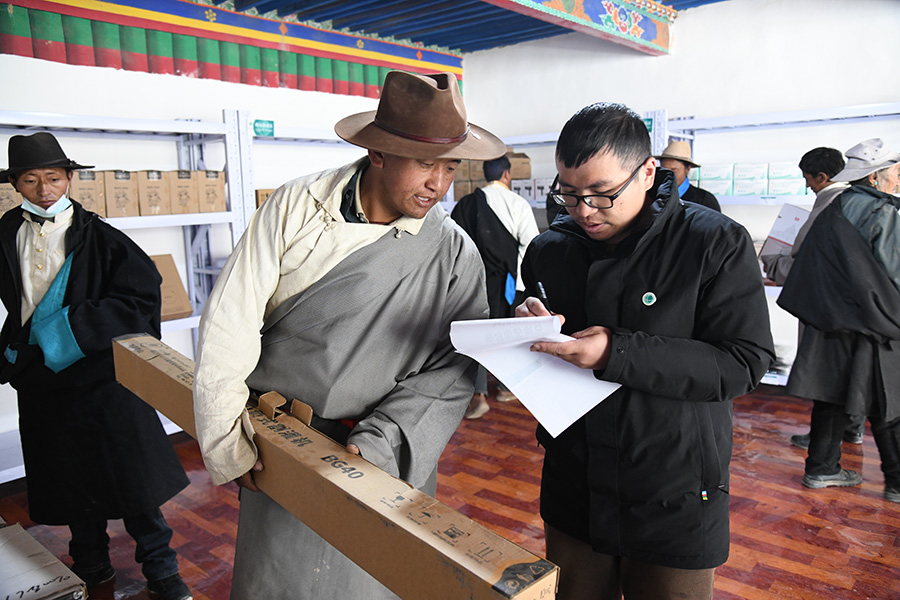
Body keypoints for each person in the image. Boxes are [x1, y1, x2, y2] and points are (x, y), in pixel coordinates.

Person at [192, 70, 504, 600]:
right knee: (279, 582)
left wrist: (381, 443)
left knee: (374, 581)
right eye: (425, 163)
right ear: (378, 152)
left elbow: (453, 368)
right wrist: (226, 439)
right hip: (283, 444)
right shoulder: (296, 209)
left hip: (386, 456)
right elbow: (230, 320)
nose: (439, 183)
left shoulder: (454, 252)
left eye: (451, 166)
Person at [514, 103, 774, 600]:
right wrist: (523, 318)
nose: (584, 210)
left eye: (602, 194)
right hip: (575, 479)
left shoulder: (713, 242)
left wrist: (616, 352)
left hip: (673, 487)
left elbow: (743, 361)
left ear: (648, 172)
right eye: (569, 193)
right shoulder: (551, 249)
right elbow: (535, 327)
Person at [0, 133, 192, 600]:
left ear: (69, 178)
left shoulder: (102, 239)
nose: (44, 190)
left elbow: (140, 298)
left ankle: (162, 570)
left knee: (132, 481)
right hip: (43, 382)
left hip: (102, 381)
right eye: (31, 180)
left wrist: (66, 331)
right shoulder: (5, 233)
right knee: (70, 481)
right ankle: (90, 564)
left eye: (53, 178)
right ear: (16, 184)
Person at [778, 138, 900, 502]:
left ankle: (821, 467)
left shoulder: (836, 204)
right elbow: (895, 271)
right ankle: (897, 480)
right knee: (887, 397)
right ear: (875, 177)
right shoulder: (881, 211)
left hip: (830, 318)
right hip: (872, 322)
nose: (899, 179)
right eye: (895, 172)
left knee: (829, 393)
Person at [760, 147, 864, 448]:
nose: (807, 186)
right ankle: (852, 428)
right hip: (851, 306)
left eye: (808, 179)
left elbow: (806, 260)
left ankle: (823, 445)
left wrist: (774, 261)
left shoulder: (829, 204)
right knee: (850, 369)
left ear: (822, 176)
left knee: (824, 375)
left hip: (824, 306)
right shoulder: (858, 202)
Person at [451, 154, 539, 418]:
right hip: (506, 284)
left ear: (485, 174)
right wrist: (520, 283)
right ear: (507, 174)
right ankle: (504, 387)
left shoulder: (466, 204)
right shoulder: (518, 204)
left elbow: (454, 245)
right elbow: (531, 246)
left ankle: (478, 395)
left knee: (477, 335)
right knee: (505, 334)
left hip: (472, 281)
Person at [655, 140, 721, 211]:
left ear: (688, 169)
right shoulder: (654, 196)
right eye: (664, 170)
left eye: (673, 171)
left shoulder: (705, 200)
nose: (667, 175)